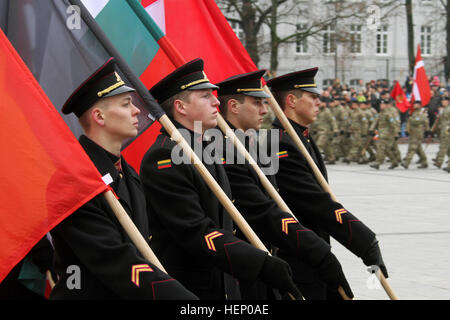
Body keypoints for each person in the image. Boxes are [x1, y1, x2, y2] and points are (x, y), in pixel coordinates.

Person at [139, 59, 301, 300]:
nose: (216, 101)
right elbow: (195, 231)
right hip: (192, 290)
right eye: (205, 96)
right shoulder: (165, 156)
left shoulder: (203, 146)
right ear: (181, 107)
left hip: (224, 283)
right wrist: (259, 263)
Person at [50, 58, 197, 300]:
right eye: (126, 103)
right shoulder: (75, 180)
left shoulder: (127, 172)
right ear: (99, 116)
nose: (137, 110)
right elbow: (116, 259)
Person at [216, 70, 353, 300]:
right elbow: (264, 211)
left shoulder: (251, 144)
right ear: (234, 106)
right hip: (250, 268)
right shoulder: (224, 151)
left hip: (273, 260)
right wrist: (318, 251)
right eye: (257, 103)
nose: (265, 110)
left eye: (265, 102)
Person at [266, 67, 388, 299]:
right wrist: (365, 241)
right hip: (298, 258)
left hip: (316, 255)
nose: (319, 102)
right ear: (291, 100)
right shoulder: (280, 143)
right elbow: (316, 203)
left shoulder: (300, 137)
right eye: (312, 97)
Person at [369, 98, 400, 170]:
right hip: (381, 133)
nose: (381, 105)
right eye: (380, 104)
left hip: (387, 134)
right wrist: (371, 129)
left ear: (386, 105)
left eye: (382, 104)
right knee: (386, 149)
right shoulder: (380, 113)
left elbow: (393, 124)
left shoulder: (388, 114)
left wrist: (396, 133)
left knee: (381, 148)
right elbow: (375, 122)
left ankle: (378, 163)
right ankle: (394, 162)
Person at [401, 101, 431, 169]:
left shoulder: (421, 113)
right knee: (419, 149)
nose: (414, 105)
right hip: (413, 132)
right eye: (414, 104)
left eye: (416, 104)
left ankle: (407, 162)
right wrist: (407, 130)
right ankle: (424, 162)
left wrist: (410, 119)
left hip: (418, 132)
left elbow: (418, 121)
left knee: (413, 147)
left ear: (420, 105)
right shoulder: (414, 112)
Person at [433, 96, 450, 171]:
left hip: (448, 131)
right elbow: (439, 121)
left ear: (448, 102)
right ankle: (440, 162)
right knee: (446, 148)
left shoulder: (449, 109)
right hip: (443, 131)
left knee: (444, 146)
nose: (443, 102)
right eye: (442, 101)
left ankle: (440, 162)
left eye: (444, 101)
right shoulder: (443, 110)